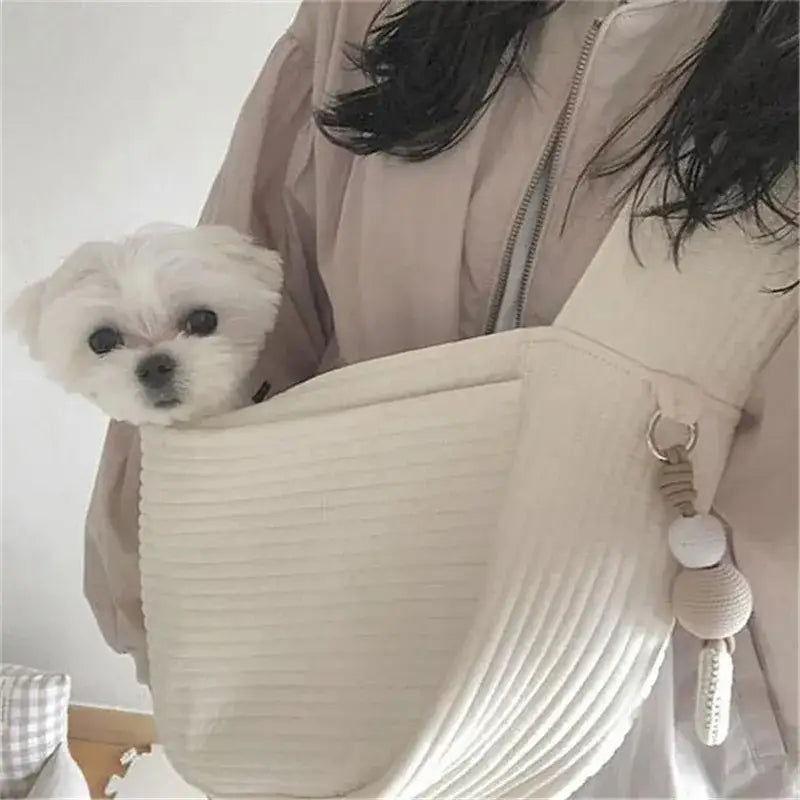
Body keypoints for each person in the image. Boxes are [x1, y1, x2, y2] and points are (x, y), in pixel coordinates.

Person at [84, 1, 797, 796]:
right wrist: (162, 601)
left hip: (655, 688)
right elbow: (232, 315)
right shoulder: (368, 10)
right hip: (337, 635)